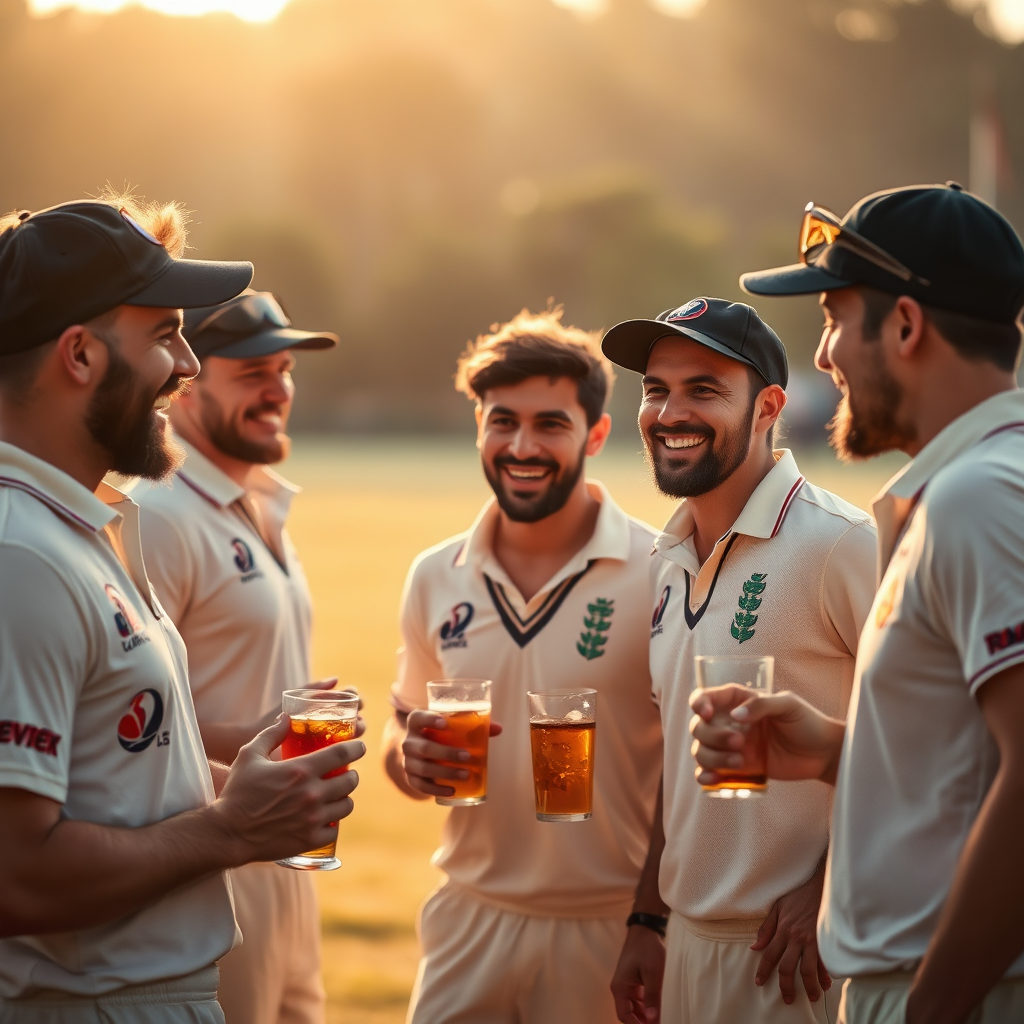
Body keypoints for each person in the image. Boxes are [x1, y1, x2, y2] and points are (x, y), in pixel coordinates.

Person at [0, 196, 364, 1024]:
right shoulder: (19, 553)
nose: (190, 363)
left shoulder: (81, 528)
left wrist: (252, 787)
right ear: (80, 355)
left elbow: (114, 774)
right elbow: (15, 876)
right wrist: (232, 831)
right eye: (166, 334)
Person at [691, 182, 1024, 1024]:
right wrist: (838, 750)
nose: (827, 355)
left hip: (946, 988)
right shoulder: (969, 484)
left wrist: (933, 1005)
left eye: (836, 319)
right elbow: (970, 762)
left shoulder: (981, 496)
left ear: (906, 326)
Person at [381, 309, 663, 1024]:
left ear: (597, 434)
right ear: (479, 425)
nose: (522, 445)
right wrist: (408, 761)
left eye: (550, 424)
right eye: (502, 420)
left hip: (611, 925)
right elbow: (399, 737)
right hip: (468, 916)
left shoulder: (664, 569)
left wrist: (652, 920)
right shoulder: (433, 574)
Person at [600, 297, 876, 1024]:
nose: (669, 412)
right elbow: (679, 761)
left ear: (767, 406)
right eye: (656, 389)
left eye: (703, 389)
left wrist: (829, 882)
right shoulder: (665, 559)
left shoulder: (841, 544)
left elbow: (928, 741)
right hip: (687, 943)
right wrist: (649, 918)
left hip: (791, 957)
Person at [133, 290, 341, 1024]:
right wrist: (263, 734)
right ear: (186, 384)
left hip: (288, 855)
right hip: (216, 853)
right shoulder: (159, 514)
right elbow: (132, 716)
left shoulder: (257, 499)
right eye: (252, 370)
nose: (278, 387)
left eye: (284, 369)